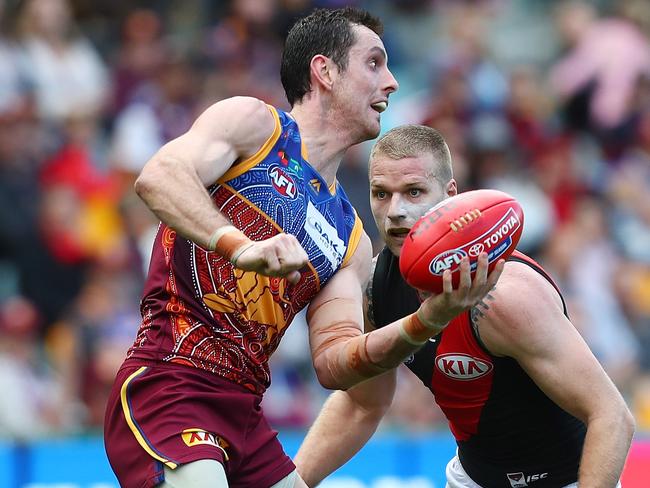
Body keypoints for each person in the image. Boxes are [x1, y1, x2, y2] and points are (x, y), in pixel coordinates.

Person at [103, 9, 502, 488]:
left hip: (246, 417)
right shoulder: (255, 126)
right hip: (171, 384)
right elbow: (159, 177)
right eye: (374, 64)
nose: (392, 83)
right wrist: (239, 246)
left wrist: (427, 321)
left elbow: (335, 365)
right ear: (325, 72)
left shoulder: (349, 237)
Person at [294, 125, 635, 488]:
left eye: (413, 192)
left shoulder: (507, 297)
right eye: (381, 193)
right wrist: (290, 483)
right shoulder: (375, 289)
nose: (395, 211)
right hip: (472, 478)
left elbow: (612, 416)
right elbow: (362, 405)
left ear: (450, 196)